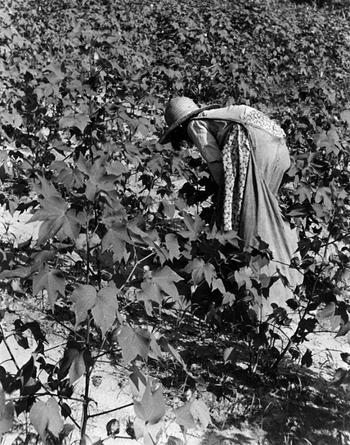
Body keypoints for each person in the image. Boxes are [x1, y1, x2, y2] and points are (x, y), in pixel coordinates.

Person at [159, 96, 303, 314]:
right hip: (279, 148)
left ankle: (257, 301)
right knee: (267, 216)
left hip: (254, 145)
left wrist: (224, 198)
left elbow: (215, 162)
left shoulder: (196, 123)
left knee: (248, 221)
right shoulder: (223, 115)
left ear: (179, 125)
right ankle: (288, 281)